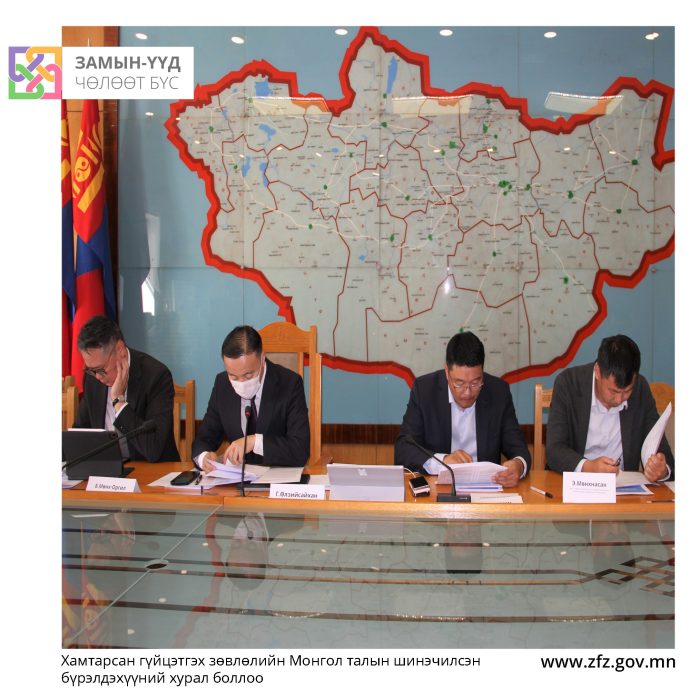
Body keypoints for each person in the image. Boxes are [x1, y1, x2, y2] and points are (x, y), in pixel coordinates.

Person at [394, 331, 530, 487]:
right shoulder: (425, 391)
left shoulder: (499, 392)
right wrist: (443, 461)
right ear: (447, 372)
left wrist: (519, 466)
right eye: (459, 383)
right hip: (439, 489)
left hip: (486, 490)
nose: (467, 392)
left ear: (482, 372)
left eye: (475, 383)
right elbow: (403, 450)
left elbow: (520, 449)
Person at [545, 334, 674, 480]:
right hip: (575, 481)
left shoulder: (640, 389)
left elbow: (661, 448)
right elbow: (554, 450)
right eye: (613, 391)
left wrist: (662, 469)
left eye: (627, 391)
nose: (619, 400)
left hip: (622, 486)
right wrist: (589, 467)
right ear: (597, 372)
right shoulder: (568, 384)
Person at [193, 325, 310, 471]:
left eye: (248, 375)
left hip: (277, 478)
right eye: (233, 376)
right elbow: (203, 439)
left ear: (262, 358)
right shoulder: (222, 384)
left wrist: (254, 442)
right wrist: (203, 457)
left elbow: (299, 450)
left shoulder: (290, 383)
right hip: (236, 480)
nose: (241, 383)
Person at [73, 315, 180, 462]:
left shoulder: (156, 376)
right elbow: (80, 433)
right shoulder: (92, 378)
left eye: (100, 369)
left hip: (151, 470)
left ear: (120, 350)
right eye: (91, 370)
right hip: (107, 469)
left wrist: (119, 401)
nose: (97, 377)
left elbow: (153, 449)